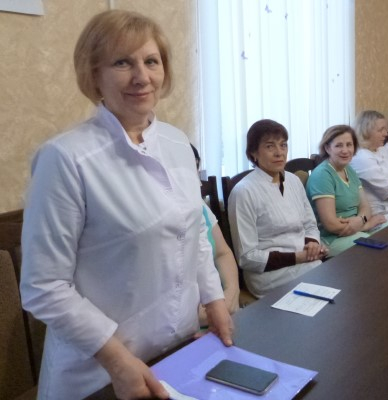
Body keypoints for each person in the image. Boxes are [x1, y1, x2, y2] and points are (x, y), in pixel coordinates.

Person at [19, 10, 233, 400]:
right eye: (122, 62)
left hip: (177, 354)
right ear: (94, 74)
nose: (141, 76)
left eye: (151, 61)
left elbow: (194, 234)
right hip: (100, 373)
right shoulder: (65, 158)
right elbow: (43, 286)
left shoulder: (176, 142)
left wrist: (213, 298)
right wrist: (117, 360)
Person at [228, 119, 328, 298]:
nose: (279, 152)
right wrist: (299, 257)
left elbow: (310, 224)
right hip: (271, 275)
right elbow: (247, 257)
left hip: (306, 262)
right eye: (270, 146)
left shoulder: (293, 180)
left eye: (283, 145)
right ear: (253, 153)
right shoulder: (244, 192)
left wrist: (312, 243)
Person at [305, 125, 386, 257]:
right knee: (377, 252)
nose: (345, 150)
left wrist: (360, 219)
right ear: (327, 148)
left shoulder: (349, 170)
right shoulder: (322, 175)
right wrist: (365, 225)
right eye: (338, 145)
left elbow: (365, 207)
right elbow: (331, 224)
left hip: (354, 229)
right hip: (331, 239)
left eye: (349, 145)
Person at [190, 144, 241, 317]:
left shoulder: (199, 205)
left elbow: (222, 253)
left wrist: (231, 292)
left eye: (194, 166)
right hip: (186, 321)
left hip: (219, 306)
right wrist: (207, 315)